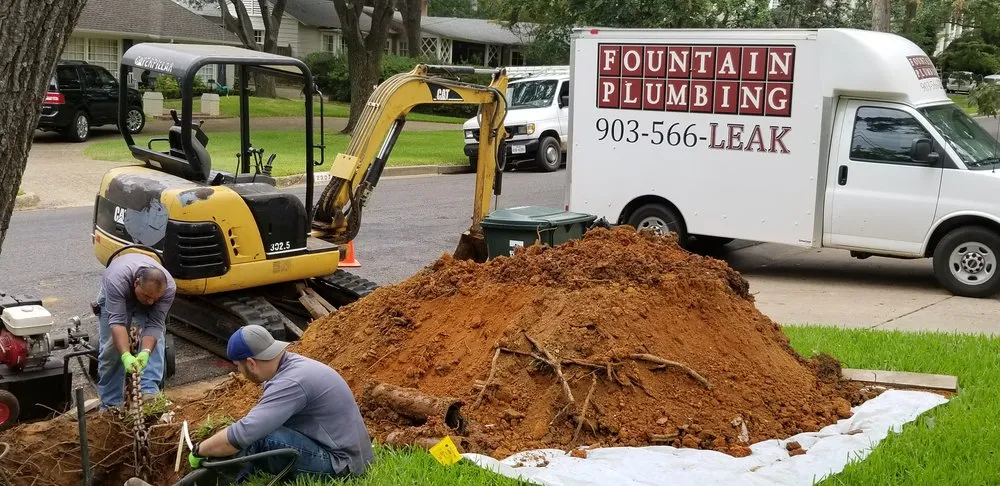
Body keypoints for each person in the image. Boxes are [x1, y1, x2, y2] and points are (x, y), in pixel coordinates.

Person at [188, 325, 375, 481]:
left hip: (343, 466)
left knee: (260, 436)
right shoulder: (290, 365)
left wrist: (199, 450)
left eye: (238, 366)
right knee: (259, 432)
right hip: (348, 454)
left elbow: (245, 433)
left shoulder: (290, 383)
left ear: (251, 363)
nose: (239, 372)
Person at [96, 252, 176, 408]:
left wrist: (145, 351)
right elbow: (117, 323)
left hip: (139, 290)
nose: (151, 302)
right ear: (136, 283)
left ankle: (149, 392)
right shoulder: (116, 281)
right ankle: (111, 404)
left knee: (157, 342)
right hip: (115, 296)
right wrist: (125, 355)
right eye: (147, 296)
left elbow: (155, 324)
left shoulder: (168, 288)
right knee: (111, 348)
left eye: (155, 298)